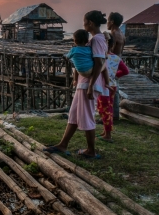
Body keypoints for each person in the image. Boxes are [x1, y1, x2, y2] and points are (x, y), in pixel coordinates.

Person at [44, 11, 109, 159]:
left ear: (91, 23)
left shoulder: (97, 40)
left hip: (88, 85)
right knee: (73, 115)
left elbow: (99, 64)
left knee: (86, 116)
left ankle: (91, 151)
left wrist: (91, 86)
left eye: (85, 21)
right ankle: (63, 144)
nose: (84, 24)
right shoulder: (94, 39)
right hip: (83, 83)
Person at [96, 33, 129, 142]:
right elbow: (125, 71)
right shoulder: (116, 58)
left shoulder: (100, 58)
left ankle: (108, 135)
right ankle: (106, 131)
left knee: (105, 110)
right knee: (105, 109)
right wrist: (115, 75)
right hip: (112, 85)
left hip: (105, 86)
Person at [107, 12, 125, 121]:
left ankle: (111, 116)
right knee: (115, 88)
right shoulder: (122, 33)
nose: (107, 23)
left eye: (108, 21)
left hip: (112, 63)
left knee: (110, 89)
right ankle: (114, 114)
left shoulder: (113, 34)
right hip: (118, 61)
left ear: (112, 22)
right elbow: (121, 51)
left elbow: (109, 51)